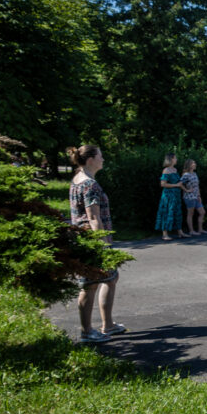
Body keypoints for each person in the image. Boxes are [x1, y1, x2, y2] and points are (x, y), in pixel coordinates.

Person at [68, 145, 124, 343]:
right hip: (93, 241)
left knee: (108, 278)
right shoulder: (90, 185)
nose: (103, 159)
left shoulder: (78, 179)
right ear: (90, 159)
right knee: (93, 284)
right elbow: (93, 218)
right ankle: (88, 332)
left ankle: (106, 325)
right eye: (101, 156)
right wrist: (103, 245)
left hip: (83, 239)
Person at [155, 153, 188, 240]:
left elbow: (178, 182)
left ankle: (180, 232)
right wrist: (176, 185)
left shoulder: (175, 170)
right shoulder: (166, 170)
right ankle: (165, 234)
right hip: (168, 196)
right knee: (167, 212)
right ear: (171, 159)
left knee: (177, 212)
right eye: (175, 158)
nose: (176, 159)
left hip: (176, 195)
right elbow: (163, 184)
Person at [180, 159, 206, 235]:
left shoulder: (194, 174)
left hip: (196, 196)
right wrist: (186, 190)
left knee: (202, 212)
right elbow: (180, 184)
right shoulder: (186, 175)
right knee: (190, 213)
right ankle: (191, 231)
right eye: (194, 163)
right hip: (189, 197)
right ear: (190, 165)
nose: (195, 164)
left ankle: (200, 229)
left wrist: (199, 195)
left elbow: (197, 186)